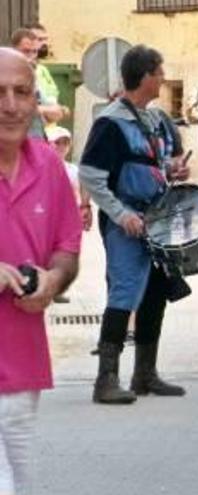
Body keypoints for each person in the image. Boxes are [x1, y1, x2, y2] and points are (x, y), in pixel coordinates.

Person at [79, 45, 190, 405]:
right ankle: (105, 380)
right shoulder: (111, 122)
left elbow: (157, 161)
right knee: (125, 293)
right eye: (159, 73)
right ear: (144, 76)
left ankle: (145, 374)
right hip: (127, 222)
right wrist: (120, 214)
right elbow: (91, 175)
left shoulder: (155, 119)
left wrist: (173, 169)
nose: (162, 79)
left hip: (156, 219)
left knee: (156, 292)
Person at [0, 47, 82, 495]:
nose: (11, 105)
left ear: (36, 101)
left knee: (23, 481)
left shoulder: (49, 163)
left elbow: (67, 247)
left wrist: (52, 280)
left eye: (21, 92)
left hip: (22, 361)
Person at [10, 28, 67, 138]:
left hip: (35, 142)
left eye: (35, 51)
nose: (31, 56)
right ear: (13, 50)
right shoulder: (4, 75)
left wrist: (39, 110)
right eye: (26, 51)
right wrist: (41, 110)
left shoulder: (33, 77)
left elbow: (56, 113)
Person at [47, 125, 92, 231]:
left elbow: (81, 194)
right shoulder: (40, 169)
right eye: (57, 142)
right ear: (47, 144)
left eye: (65, 143)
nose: (62, 146)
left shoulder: (74, 170)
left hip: (69, 222)